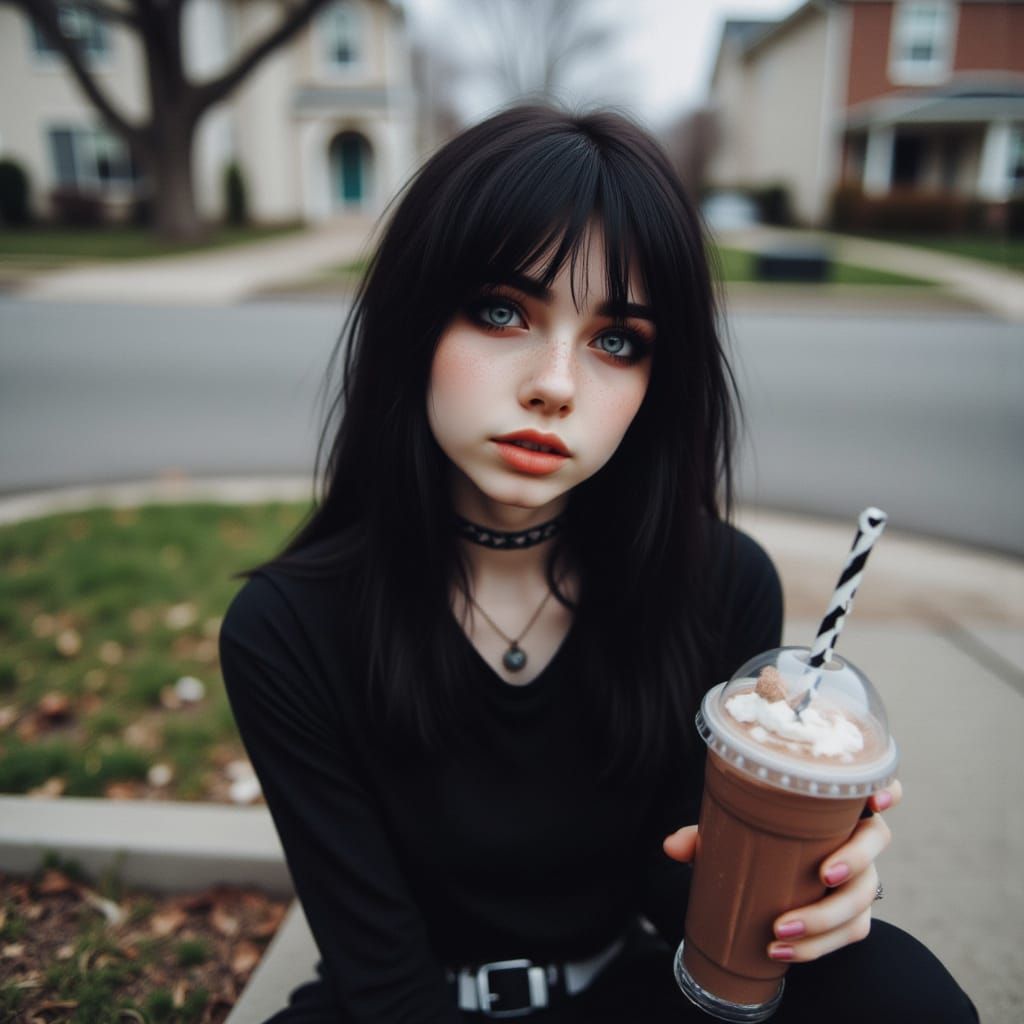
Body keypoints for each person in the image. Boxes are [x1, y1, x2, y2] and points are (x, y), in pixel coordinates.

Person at [218, 104, 978, 1022]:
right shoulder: (289, 631)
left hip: (636, 991)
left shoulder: (719, 585)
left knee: (896, 993)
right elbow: (381, 976)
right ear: (413, 324)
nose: (556, 384)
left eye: (618, 341)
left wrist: (803, 886)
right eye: (502, 311)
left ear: (659, 383)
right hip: (402, 1006)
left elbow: (679, 892)